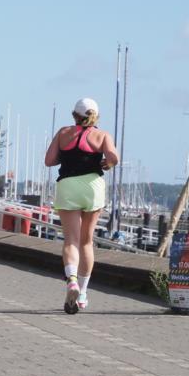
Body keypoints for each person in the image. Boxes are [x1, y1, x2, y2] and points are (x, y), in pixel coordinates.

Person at [44, 97, 119, 314]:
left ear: (74, 115)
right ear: (96, 115)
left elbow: (49, 161)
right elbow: (113, 156)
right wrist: (108, 162)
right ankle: (83, 292)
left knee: (71, 241)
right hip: (93, 187)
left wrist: (66, 156)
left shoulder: (63, 133)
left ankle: (72, 281)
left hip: (68, 186)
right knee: (86, 241)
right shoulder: (102, 135)